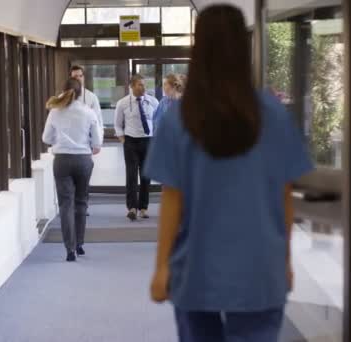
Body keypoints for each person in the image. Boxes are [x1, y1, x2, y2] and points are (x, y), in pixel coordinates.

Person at [144, 5, 313, 342]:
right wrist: (285, 260)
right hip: (260, 268)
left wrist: (162, 267)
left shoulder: (180, 119)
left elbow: (172, 201)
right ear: (244, 47)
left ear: (198, 48)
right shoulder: (274, 115)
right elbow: (284, 197)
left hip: (197, 267)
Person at [42, 78, 102, 262]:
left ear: (63, 91)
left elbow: (46, 138)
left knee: (66, 204)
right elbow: (97, 142)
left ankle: (69, 249)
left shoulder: (55, 111)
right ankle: (80, 244)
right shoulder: (88, 112)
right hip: (83, 160)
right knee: (81, 202)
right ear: (80, 92)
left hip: (62, 160)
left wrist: (60, 140)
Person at [114, 74, 159, 221]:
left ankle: (143, 208)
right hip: (131, 142)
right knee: (131, 175)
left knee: (146, 176)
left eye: (144, 84)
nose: (143, 87)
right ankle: (132, 208)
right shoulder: (123, 103)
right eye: (140, 84)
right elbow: (117, 124)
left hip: (148, 141)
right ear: (132, 86)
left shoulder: (153, 101)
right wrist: (123, 140)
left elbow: (158, 121)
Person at [70, 65, 104, 142]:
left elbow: (98, 120)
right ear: (70, 78)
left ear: (84, 77)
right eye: (75, 76)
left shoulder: (92, 97)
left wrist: (99, 141)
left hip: (86, 141)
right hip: (68, 141)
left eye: (80, 76)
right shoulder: (63, 97)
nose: (78, 78)